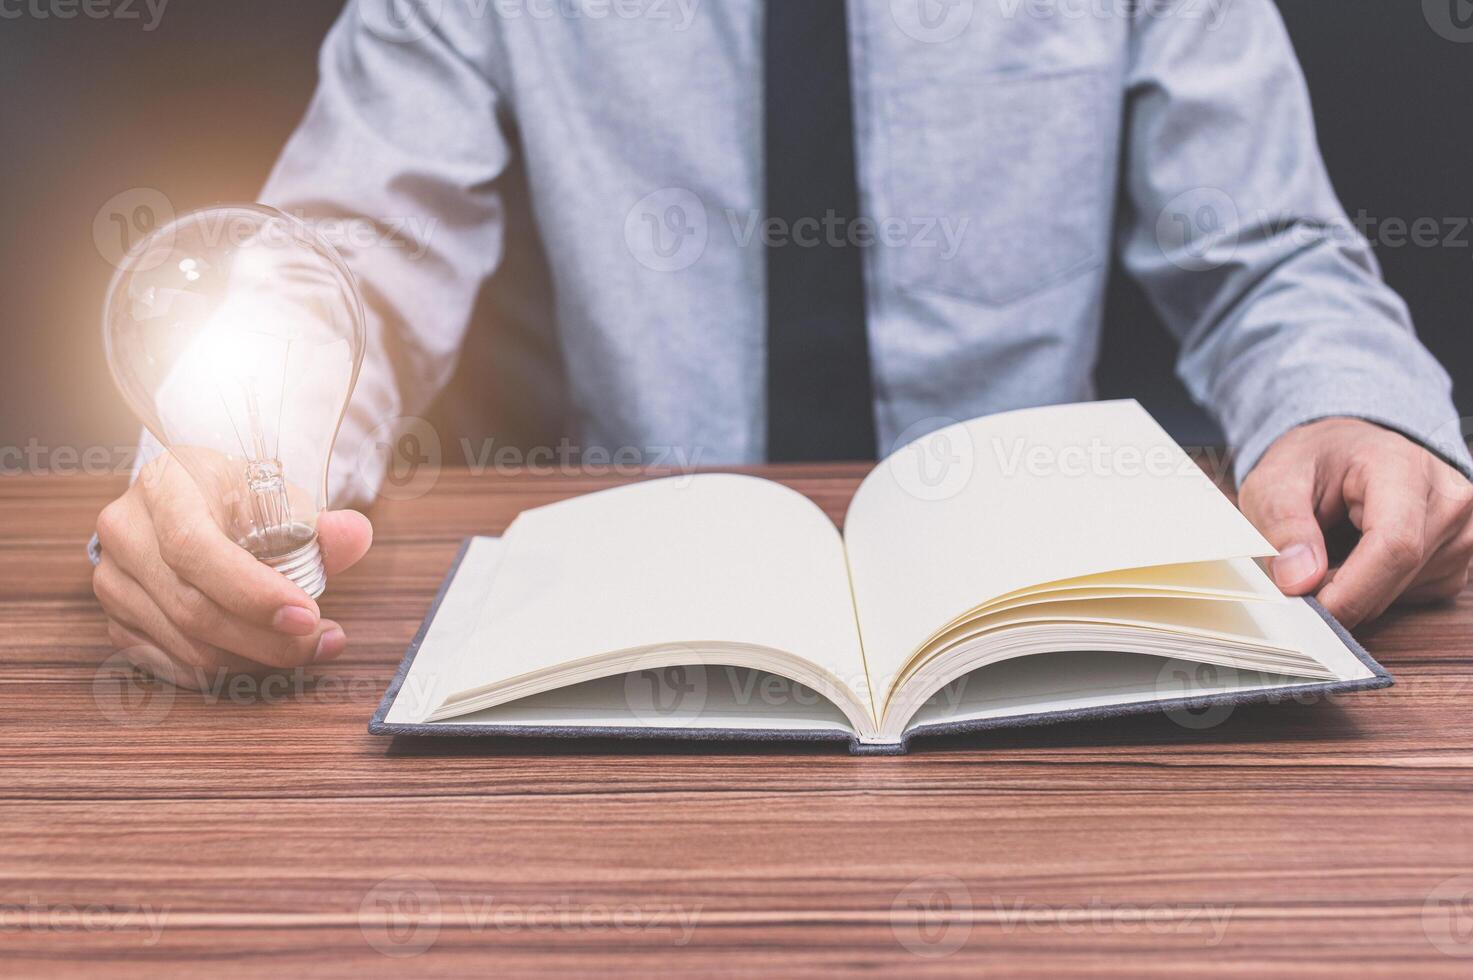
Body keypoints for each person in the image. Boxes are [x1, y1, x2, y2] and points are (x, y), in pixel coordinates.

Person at [91, 0, 1473, 687]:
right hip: (634, 659)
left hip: (1042, 648)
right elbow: (342, 274)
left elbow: (1266, 255)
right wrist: (225, 476)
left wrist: (1352, 405)